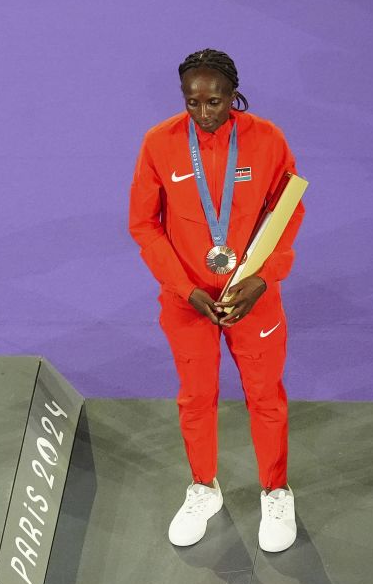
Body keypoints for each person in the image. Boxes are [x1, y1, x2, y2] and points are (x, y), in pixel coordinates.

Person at [128, 49, 305, 553]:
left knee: (265, 397)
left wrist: (265, 278)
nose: (205, 112)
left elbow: (288, 211)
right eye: (193, 102)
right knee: (195, 398)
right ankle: (204, 487)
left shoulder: (267, 139)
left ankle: (275, 489)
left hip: (252, 296)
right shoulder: (158, 143)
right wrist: (186, 289)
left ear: (234, 94)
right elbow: (143, 224)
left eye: (216, 101)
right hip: (189, 301)